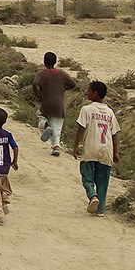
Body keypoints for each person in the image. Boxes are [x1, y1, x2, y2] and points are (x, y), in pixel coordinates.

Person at [73, 81, 121, 217]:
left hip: (91, 148)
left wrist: (76, 146)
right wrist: (116, 151)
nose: (87, 92)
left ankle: (92, 195)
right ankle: (100, 210)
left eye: (89, 90)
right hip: (106, 149)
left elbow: (81, 129)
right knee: (102, 180)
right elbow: (115, 133)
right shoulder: (110, 112)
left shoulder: (87, 109)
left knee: (87, 177)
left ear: (95, 94)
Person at [33, 51, 77, 157]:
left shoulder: (42, 74)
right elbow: (73, 84)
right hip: (59, 105)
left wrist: (38, 94)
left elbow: (35, 83)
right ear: (56, 62)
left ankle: (46, 125)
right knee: (57, 128)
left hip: (46, 103)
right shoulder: (61, 73)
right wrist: (63, 88)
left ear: (44, 62)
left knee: (40, 115)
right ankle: (56, 147)